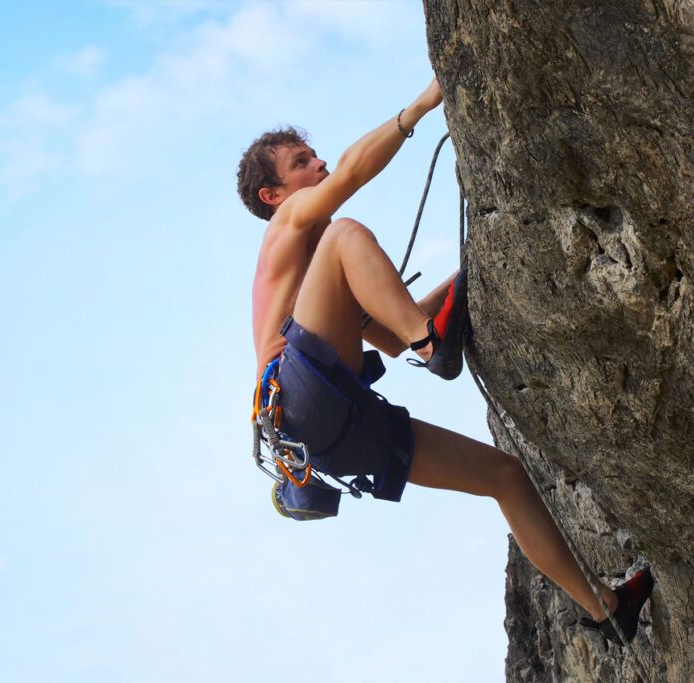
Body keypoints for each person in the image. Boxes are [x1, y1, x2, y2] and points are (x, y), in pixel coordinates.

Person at [237, 78, 653, 645]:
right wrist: (423, 105)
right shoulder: (291, 231)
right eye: (303, 162)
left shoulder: (320, 297)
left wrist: (475, 273)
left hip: (328, 433)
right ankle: (431, 345)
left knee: (504, 477)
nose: (322, 163)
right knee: (344, 232)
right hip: (302, 397)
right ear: (273, 195)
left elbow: (387, 335)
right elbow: (356, 176)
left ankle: (603, 606)